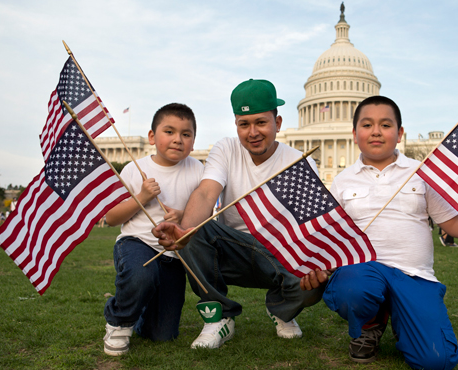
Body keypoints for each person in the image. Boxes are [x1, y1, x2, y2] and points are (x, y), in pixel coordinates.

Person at [300, 96, 458, 369]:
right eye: (367, 125)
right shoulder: (342, 180)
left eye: (386, 124)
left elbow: (452, 223)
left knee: (436, 360)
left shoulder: (421, 173)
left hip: (414, 276)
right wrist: (315, 266)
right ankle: (370, 323)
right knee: (354, 288)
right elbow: (330, 236)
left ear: (400, 133)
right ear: (354, 134)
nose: (376, 131)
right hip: (364, 271)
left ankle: (404, 317)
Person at [153, 79, 324, 349]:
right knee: (193, 229)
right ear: (236, 125)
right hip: (233, 250)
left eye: (261, 122)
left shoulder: (299, 162)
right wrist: (184, 232)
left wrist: (320, 263)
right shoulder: (227, 148)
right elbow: (207, 193)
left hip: (279, 255)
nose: (252, 132)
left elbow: (312, 224)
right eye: (244, 124)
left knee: (318, 280)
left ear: (277, 123)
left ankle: (280, 309)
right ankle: (219, 318)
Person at [103, 103, 204, 356]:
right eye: (169, 132)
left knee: (161, 335)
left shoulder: (198, 170)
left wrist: (183, 215)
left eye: (186, 134)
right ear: (152, 137)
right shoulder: (134, 169)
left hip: (173, 254)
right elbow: (111, 217)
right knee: (141, 275)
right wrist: (142, 196)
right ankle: (118, 321)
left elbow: (207, 212)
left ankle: (139, 316)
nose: (177, 140)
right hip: (136, 243)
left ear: (193, 141)